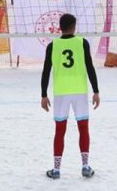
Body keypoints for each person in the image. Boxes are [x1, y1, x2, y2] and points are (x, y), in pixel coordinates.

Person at [41, 13, 100, 179]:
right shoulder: (82, 43)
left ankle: (57, 170)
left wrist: (43, 94)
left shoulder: (53, 45)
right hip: (80, 91)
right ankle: (85, 166)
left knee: (60, 130)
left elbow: (46, 71)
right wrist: (96, 91)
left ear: (60, 27)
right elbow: (90, 67)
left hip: (61, 93)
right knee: (83, 128)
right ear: (74, 27)